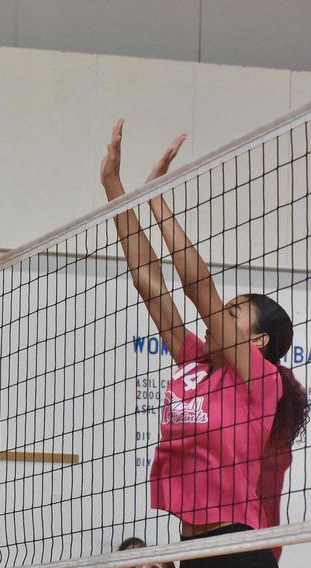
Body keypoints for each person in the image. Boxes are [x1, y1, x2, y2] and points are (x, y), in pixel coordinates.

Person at [100, 119, 307, 568]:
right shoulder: (196, 360)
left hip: (236, 549)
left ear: (259, 339)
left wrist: (156, 197)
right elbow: (149, 284)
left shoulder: (259, 377)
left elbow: (198, 287)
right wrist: (117, 189)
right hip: (192, 547)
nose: (219, 316)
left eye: (233, 314)